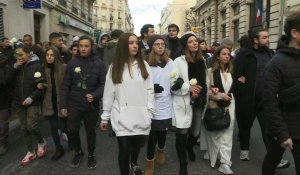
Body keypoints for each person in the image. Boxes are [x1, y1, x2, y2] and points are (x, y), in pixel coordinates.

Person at [233, 28, 289, 168]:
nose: (268, 40)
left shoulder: (270, 54)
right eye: (264, 37)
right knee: (245, 126)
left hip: (266, 100)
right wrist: (243, 88)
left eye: (268, 37)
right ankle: (244, 149)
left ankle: (273, 158)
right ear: (255, 40)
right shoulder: (243, 55)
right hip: (248, 100)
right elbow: (237, 76)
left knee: (268, 130)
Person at [100, 33, 154, 175]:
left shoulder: (145, 65)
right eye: (131, 43)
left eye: (136, 42)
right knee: (124, 149)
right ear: (124, 45)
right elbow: (108, 93)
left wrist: (150, 111)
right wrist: (105, 117)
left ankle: (134, 163)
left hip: (141, 116)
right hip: (122, 118)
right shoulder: (115, 67)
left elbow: (150, 90)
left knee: (137, 146)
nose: (135, 45)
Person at [262, 11, 300, 175]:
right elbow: (269, 101)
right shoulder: (276, 62)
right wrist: (282, 133)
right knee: (271, 162)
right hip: (283, 128)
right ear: (295, 33)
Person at [60, 35, 106, 169]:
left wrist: (95, 95)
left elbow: (104, 85)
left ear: (91, 47)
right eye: (81, 46)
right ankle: (78, 151)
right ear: (77, 47)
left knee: (90, 131)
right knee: (72, 130)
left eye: (86, 46)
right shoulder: (72, 63)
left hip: (91, 105)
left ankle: (91, 155)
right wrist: (63, 104)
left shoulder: (99, 63)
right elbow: (66, 85)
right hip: (74, 103)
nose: (83, 49)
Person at [171, 32, 207, 175]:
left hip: (199, 101)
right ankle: (183, 163)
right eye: (191, 41)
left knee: (196, 131)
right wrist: (188, 87)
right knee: (182, 131)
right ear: (186, 45)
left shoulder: (202, 60)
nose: (195, 43)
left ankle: (190, 147)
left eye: (196, 41)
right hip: (184, 101)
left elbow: (205, 81)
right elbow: (172, 83)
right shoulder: (178, 61)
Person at [200, 46, 235, 174]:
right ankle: (214, 154)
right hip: (215, 106)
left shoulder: (233, 71)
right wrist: (219, 95)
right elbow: (206, 91)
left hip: (230, 105)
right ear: (218, 56)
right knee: (215, 134)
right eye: (224, 54)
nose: (227, 56)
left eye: (228, 54)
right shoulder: (210, 71)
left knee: (228, 134)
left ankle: (225, 163)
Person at [143, 35, 173, 175]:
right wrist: (150, 89)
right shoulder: (146, 65)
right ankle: (150, 161)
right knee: (152, 135)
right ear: (151, 47)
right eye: (156, 44)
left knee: (162, 134)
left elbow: (174, 79)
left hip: (166, 104)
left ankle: (161, 149)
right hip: (152, 105)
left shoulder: (171, 63)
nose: (160, 46)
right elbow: (140, 84)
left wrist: (177, 84)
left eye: (162, 44)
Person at [12, 45, 46, 166]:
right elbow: (9, 81)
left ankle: (41, 142)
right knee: (24, 128)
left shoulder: (37, 66)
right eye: (17, 55)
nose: (19, 57)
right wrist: (15, 67)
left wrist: (31, 98)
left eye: (21, 54)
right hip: (19, 103)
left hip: (33, 102)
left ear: (29, 54)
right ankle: (30, 151)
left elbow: (41, 86)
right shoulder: (17, 67)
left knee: (32, 126)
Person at [42, 47, 68, 160]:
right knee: (53, 127)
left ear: (56, 56)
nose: (49, 57)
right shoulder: (43, 69)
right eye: (47, 55)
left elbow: (68, 86)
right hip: (49, 102)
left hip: (62, 102)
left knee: (64, 126)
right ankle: (59, 148)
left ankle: (71, 139)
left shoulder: (64, 68)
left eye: (52, 55)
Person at [0, 53, 14, 155]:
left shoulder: (7, 69)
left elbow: (5, 82)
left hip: (4, 101)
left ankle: (3, 143)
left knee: (3, 125)